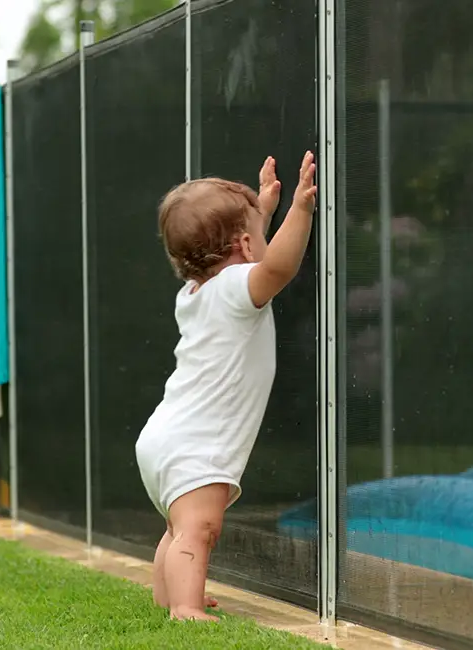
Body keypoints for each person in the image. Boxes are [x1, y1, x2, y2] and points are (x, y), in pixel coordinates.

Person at [134, 152, 317, 621]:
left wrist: (263, 214)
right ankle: (186, 607)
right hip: (196, 444)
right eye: (258, 231)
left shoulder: (194, 295)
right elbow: (276, 267)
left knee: (179, 529)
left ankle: (169, 594)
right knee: (199, 529)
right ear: (244, 246)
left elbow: (250, 253)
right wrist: (299, 209)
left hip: (164, 437)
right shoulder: (238, 288)